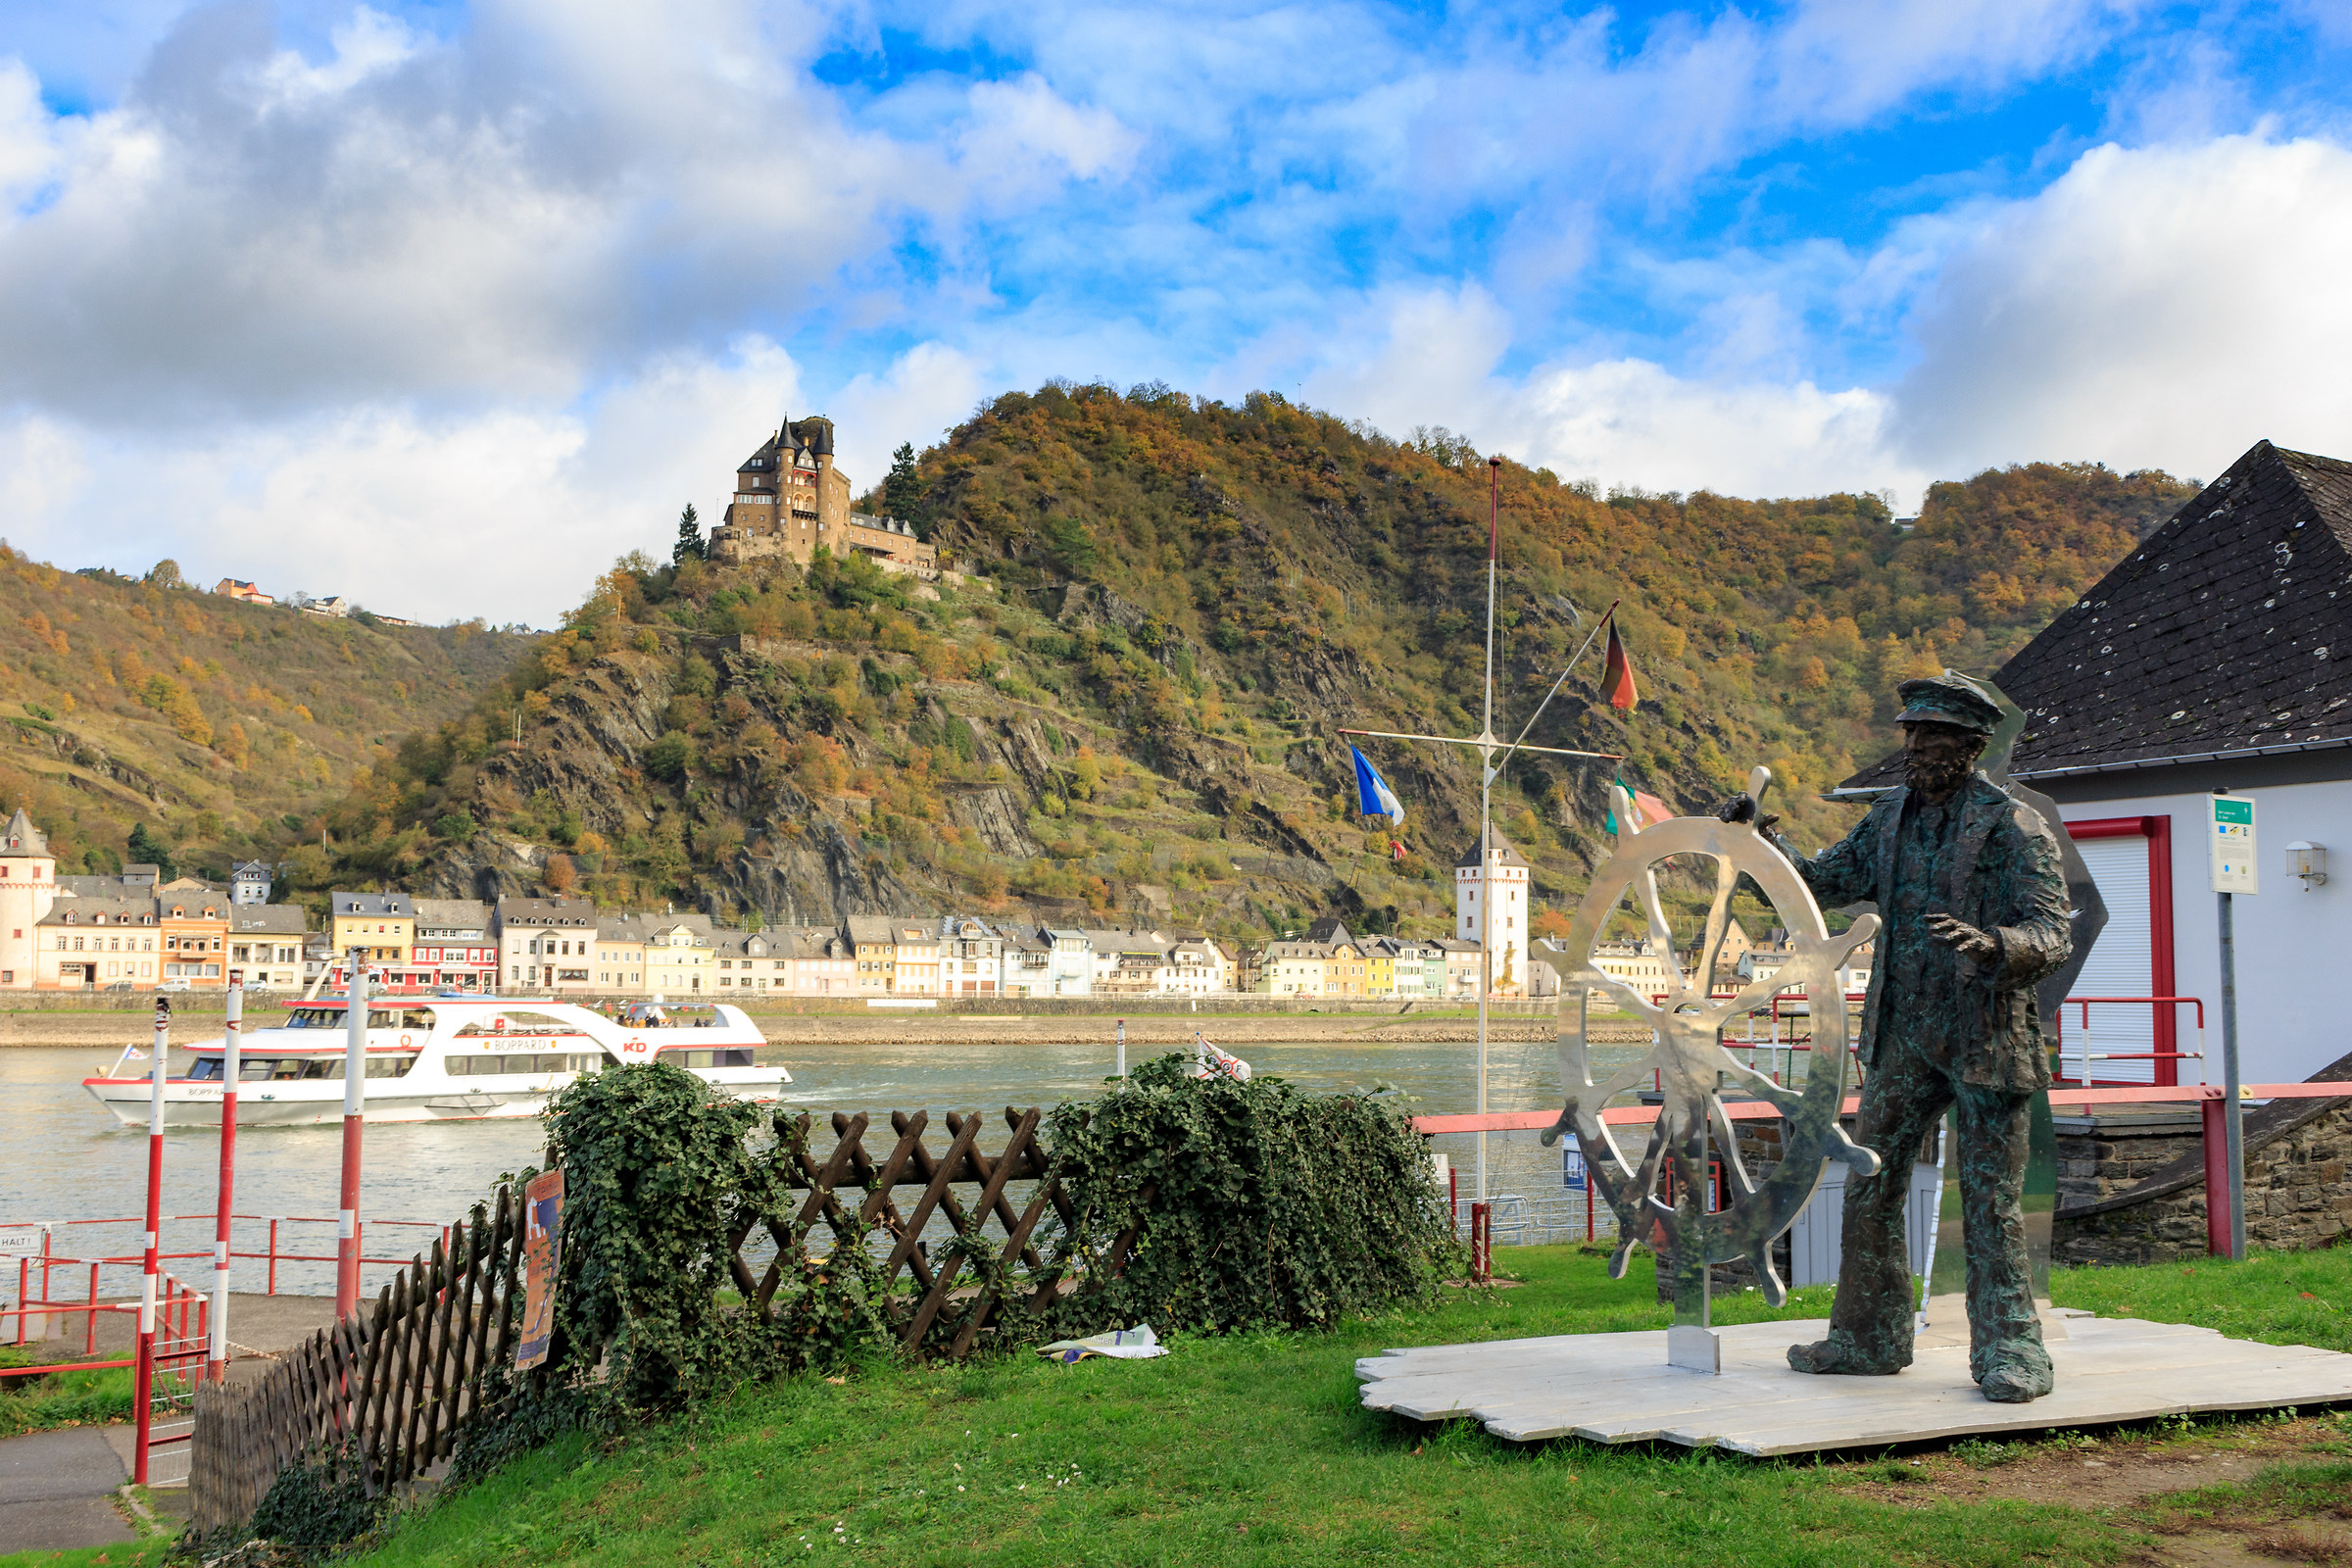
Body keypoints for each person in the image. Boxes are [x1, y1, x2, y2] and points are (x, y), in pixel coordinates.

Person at [1718, 671, 2072, 1402]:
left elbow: (2051, 930)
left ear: (1970, 746)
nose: (1913, 747)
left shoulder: (2013, 826)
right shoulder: (1887, 818)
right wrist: (1758, 843)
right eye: (1909, 733)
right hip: (1903, 1032)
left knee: (1992, 1201)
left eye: (1930, 735)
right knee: (1870, 1183)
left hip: (1983, 1035)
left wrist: (1994, 945)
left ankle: (2013, 1349)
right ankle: (1867, 1337)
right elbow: (1819, 882)